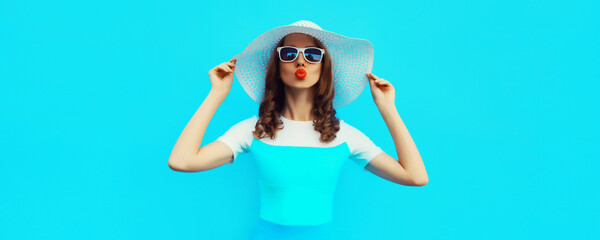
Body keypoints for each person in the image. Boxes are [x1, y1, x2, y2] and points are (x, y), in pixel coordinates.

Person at [168, 20, 428, 240]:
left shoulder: (344, 135)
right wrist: (216, 94)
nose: (301, 61)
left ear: (322, 67)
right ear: (278, 67)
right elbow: (182, 161)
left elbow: (415, 177)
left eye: (313, 55)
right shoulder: (254, 130)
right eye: (289, 53)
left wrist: (387, 108)